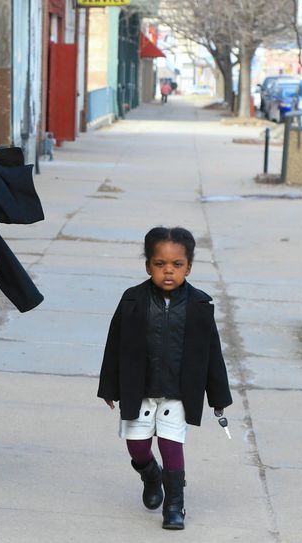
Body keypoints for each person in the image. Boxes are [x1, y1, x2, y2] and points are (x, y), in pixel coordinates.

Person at [97, 226, 232, 530]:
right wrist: (109, 385)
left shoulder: (200, 305)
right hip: (140, 389)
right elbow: (115, 344)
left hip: (177, 392)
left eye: (177, 265)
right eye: (160, 264)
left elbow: (212, 353)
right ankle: (150, 474)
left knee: (172, 446)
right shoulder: (132, 300)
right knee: (137, 446)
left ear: (189, 267)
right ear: (148, 265)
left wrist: (219, 397)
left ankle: (174, 505)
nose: (168, 271)